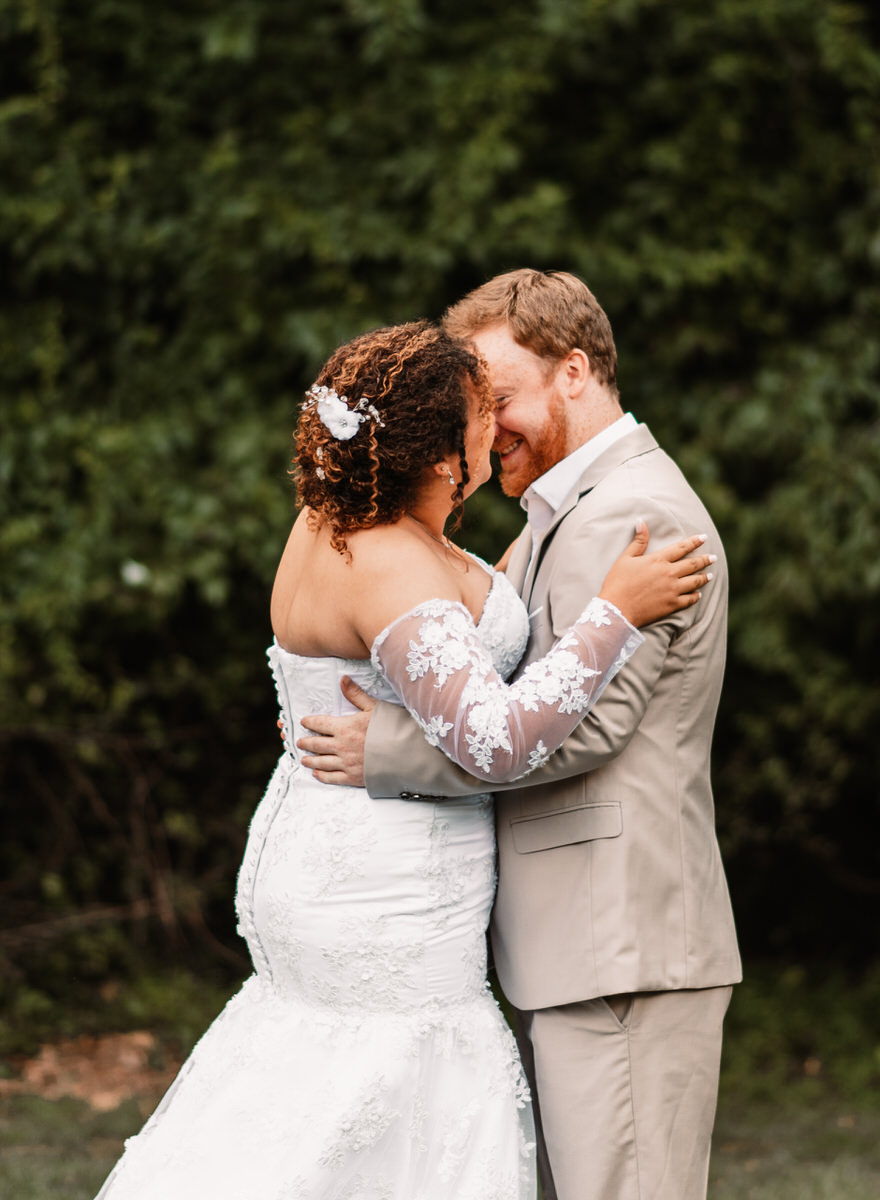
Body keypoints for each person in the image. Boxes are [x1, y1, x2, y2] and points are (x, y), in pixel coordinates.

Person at [94, 319, 714, 1200]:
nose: (493, 426)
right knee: (395, 1103)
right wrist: (614, 611)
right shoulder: (390, 561)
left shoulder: (331, 522)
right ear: (436, 457)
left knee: (309, 1100)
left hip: (318, 850)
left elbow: (438, 626)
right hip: (387, 889)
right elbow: (493, 742)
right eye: (478, 413)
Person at [297, 273, 742, 1200]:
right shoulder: (562, 515)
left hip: (620, 937)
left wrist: (386, 753)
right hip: (578, 942)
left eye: (498, 398)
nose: (487, 426)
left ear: (573, 372)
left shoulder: (630, 515)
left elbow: (590, 730)